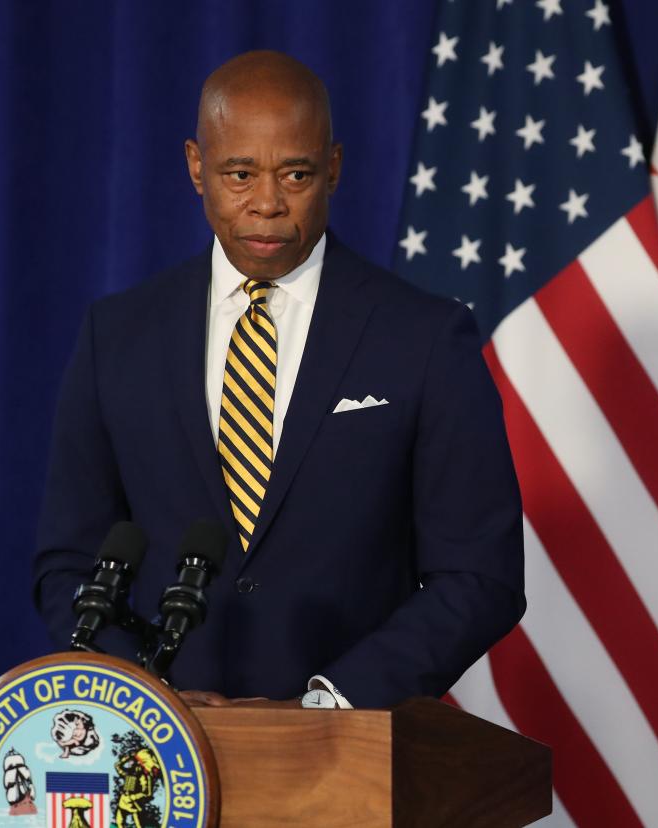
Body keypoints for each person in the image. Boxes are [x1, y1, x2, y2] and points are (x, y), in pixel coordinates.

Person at [32, 51, 524, 709]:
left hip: (350, 756)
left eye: (296, 174)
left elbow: (479, 574)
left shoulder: (425, 338)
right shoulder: (116, 336)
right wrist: (149, 695)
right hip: (158, 751)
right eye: (240, 174)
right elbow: (68, 563)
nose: (267, 204)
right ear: (196, 167)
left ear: (334, 170)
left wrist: (328, 703)